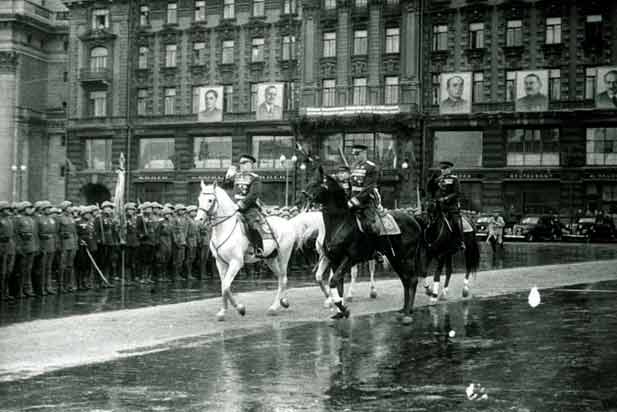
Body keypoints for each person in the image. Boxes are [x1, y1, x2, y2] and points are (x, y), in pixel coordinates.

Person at [224, 154, 274, 258]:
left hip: (249, 207)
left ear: (250, 165)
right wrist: (227, 177)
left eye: (244, 163)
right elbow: (226, 188)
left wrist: (241, 205)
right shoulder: (236, 176)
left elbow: (253, 194)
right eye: (240, 163)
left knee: (253, 225)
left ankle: (258, 248)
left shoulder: (255, 178)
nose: (241, 165)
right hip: (233, 207)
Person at [430, 160, 466, 251]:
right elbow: (432, 190)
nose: (443, 170)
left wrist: (446, 198)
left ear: (449, 169)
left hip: (451, 207)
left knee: (455, 222)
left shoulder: (454, 179)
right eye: (442, 169)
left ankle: (460, 241)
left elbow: (457, 192)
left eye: (445, 169)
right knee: (429, 220)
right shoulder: (438, 179)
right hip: (439, 206)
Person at [347, 144, 382, 236]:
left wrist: (354, 201)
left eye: (357, 153)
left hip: (366, 202)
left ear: (364, 153)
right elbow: (351, 187)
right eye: (353, 154)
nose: (355, 156)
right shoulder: (353, 167)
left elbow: (368, 189)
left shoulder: (371, 167)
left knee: (369, 225)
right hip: (352, 202)